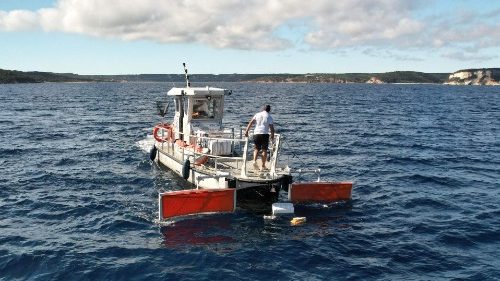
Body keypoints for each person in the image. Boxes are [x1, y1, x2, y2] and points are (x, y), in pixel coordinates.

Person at [244, 105, 275, 171]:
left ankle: (254, 161)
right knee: (264, 150)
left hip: (256, 133)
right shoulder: (269, 117)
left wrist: (246, 131)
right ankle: (263, 166)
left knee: (256, 149)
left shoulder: (257, 114)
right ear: (269, 110)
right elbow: (271, 128)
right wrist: (272, 136)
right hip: (264, 134)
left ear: (263, 109)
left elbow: (251, 122)